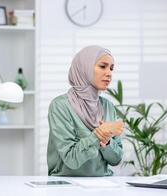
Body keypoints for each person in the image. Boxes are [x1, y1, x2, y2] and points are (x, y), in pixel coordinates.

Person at [47, 45, 124, 176]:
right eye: (102, 66)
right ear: (85, 68)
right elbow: (71, 159)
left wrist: (107, 142)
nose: (109, 73)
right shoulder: (60, 106)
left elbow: (116, 159)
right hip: (65, 185)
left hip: (104, 185)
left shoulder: (108, 106)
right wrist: (99, 134)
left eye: (111, 68)